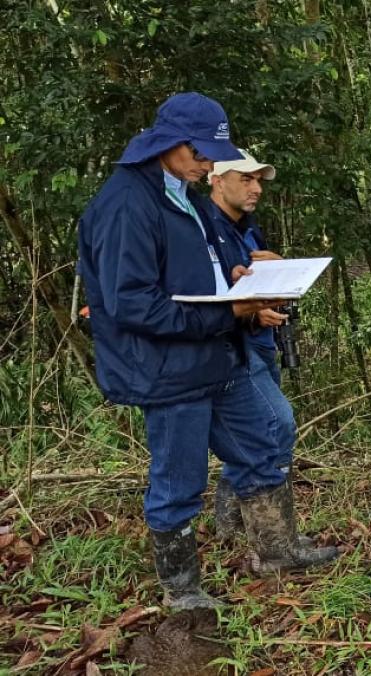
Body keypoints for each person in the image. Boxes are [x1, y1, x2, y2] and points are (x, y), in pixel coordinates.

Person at [76, 93, 337, 611]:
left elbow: (191, 269)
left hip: (215, 356)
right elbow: (131, 304)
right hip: (168, 369)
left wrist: (234, 277)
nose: (209, 163)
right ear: (168, 143)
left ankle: (278, 550)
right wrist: (228, 312)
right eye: (201, 152)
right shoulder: (128, 203)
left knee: (263, 442)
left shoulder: (183, 191)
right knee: (179, 480)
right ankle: (184, 593)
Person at [204, 149, 298, 542]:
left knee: (267, 429)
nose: (256, 188)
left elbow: (255, 288)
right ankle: (264, 533)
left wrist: (277, 273)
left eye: (259, 180)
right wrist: (249, 312)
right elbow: (208, 297)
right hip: (231, 348)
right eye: (246, 179)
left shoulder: (247, 226)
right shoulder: (202, 228)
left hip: (261, 343)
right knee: (276, 424)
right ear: (216, 179)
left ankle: (238, 524)